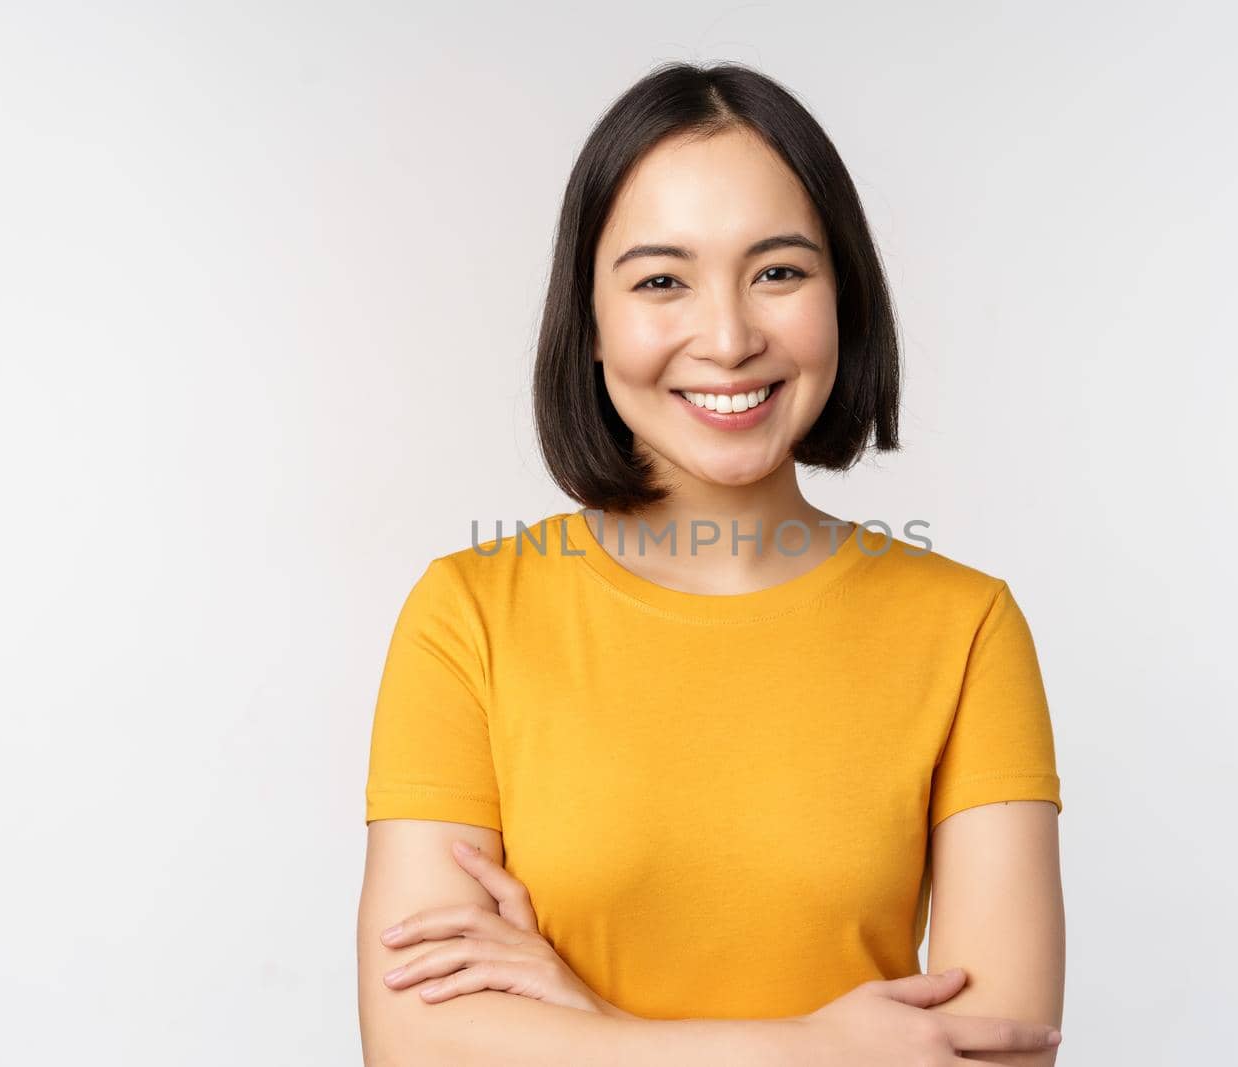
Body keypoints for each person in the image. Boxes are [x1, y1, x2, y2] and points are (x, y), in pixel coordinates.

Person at [356, 61, 1065, 1066]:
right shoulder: (467, 615)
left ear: (843, 297)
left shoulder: (965, 627)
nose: (728, 337)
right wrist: (821, 1049)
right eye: (660, 281)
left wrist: (587, 1028)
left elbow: (999, 1053)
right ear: (590, 322)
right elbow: (414, 1043)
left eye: (778, 271)